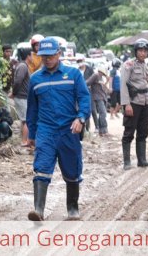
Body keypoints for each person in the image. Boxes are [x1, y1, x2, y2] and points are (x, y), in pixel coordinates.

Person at [26, 37, 90, 221]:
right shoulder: (35, 79)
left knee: (72, 171)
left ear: (59, 54)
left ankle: (72, 208)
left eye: (51, 55)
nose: (47, 59)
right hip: (46, 130)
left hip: (69, 130)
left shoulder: (73, 74)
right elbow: (32, 109)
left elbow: (84, 99)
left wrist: (81, 118)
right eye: (43, 56)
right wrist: (32, 134)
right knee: (41, 168)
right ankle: (38, 211)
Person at [120, 38, 148, 170]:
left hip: (145, 102)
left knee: (143, 132)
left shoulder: (146, 66)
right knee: (129, 132)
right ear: (136, 51)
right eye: (140, 50)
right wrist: (126, 104)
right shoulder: (128, 65)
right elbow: (123, 85)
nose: (143, 53)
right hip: (133, 102)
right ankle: (127, 162)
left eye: (145, 50)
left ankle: (142, 160)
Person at [10, 47, 32, 147]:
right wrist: (14, 93)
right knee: (26, 120)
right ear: (28, 56)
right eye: (31, 55)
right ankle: (24, 141)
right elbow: (18, 81)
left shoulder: (22, 65)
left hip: (23, 96)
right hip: (22, 96)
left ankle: (24, 140)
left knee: (24, 119)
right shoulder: (23, 66)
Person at [86, 66, 109, 137]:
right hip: (97, 97)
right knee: (103, 113)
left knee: (102, 114)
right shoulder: (95, 75)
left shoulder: (101, 77)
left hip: (102, 97)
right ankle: (104, 130)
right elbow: (87, 82)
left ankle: (101, 131)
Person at [77, 55, 95, 138]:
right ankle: (83, 130)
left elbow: (93, 79)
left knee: (90, 110)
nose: (80, 63)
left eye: (81, 60)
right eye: (78, 61)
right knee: (80, 110)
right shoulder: (76, 71)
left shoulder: (89, 69)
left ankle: (88, 128)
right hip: (78, 92)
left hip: (89, 91)